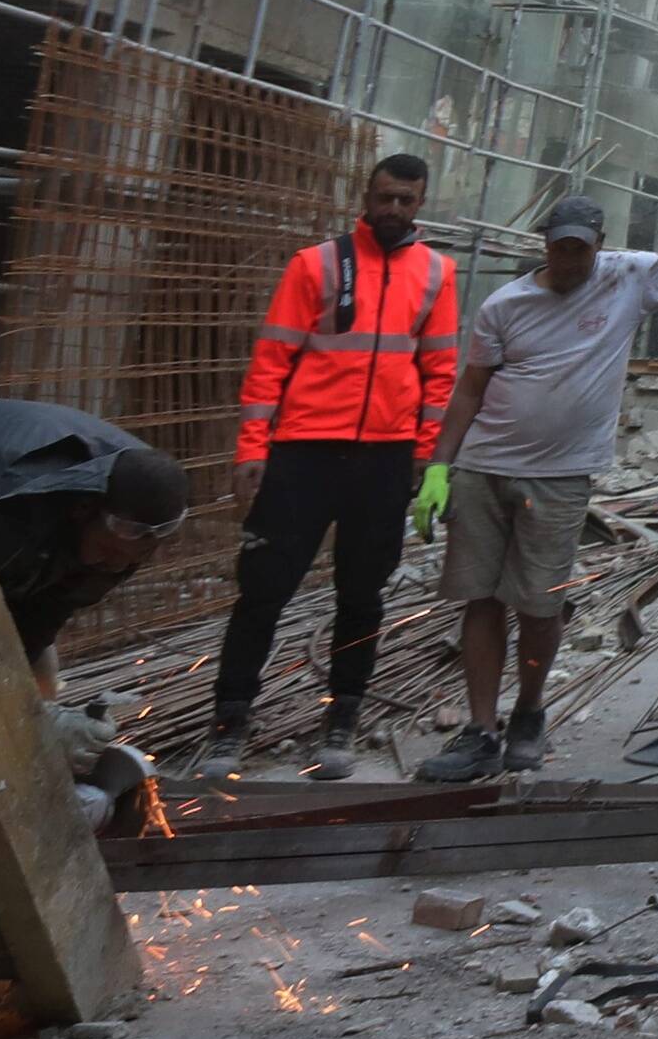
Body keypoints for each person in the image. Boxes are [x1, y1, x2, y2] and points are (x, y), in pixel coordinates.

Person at [414, 191, 658, 783]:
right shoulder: (506, 304)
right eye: (560, 248)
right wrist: (439, 468)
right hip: (483, 467)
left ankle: (528, 712)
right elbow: (470, 389)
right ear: (545, 246)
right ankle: (479, 731)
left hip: (560, 476)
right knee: (482, 598)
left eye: (581, 249)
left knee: (541, 604)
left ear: (598, 246)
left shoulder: (628, 277)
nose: (570, 260)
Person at [197, 152, 462, 782]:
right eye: (386, 197)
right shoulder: (314, 265)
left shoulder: (437, 273)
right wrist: (253, 450)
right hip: (302, 453)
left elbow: (440, 372)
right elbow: (271, 363)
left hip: (385, 458)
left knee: (362, 594)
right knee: (262, 591)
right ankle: (229, 723)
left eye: (406, 200)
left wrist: (426, 457)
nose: (394, 209)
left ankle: (341, 716)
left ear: (420, 204)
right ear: (365, 196)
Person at [0, 396, 188, 679]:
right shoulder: (7, 499)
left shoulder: (141, 513)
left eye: (132, 560)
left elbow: (42, 621)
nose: (116, 566)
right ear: (83, 510)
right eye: (107, 552)